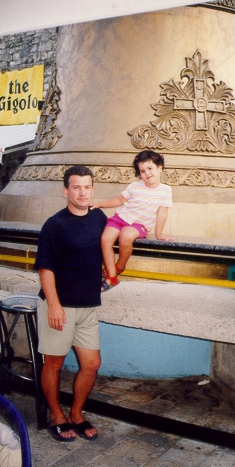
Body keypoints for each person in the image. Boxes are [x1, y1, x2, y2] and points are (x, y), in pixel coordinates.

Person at [34, 166, 107, 442]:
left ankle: (76, 413)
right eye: (76, 187)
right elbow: (45, 268)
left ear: (92, 190)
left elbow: (113, 241)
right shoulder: (55, 224)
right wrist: (53, 305)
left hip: (88, 306)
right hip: (60, 306)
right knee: (54, 363)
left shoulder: (99, 217)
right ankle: (56, 414)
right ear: (66, 191)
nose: (82, 192)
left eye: (87, 187)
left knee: (92, 363)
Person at [91, 150, 173, 291]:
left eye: (149, 168)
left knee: (126, 235)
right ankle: (112, 276)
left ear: (160, 168)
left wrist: (159, 234)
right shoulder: (135, 186)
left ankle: (120, 266)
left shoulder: (165, 190)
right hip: (120, 218)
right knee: (105, 239)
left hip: (139, 225)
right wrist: (99, 204)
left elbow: (162, 213)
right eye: (142, 171)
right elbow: (119, 200)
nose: (147, 173)